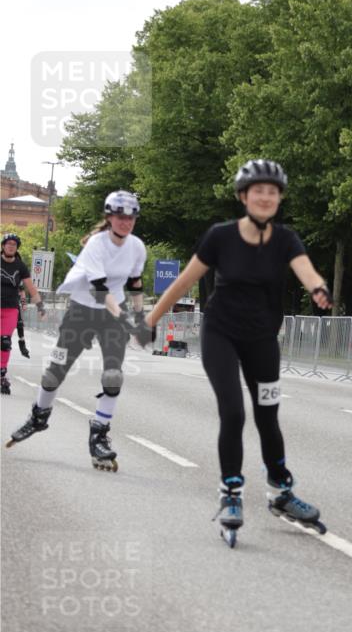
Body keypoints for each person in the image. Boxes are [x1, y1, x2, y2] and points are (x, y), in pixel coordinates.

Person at [145, 159, 332, 546]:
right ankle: (231, 493)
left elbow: (306, 270)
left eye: (273, 192)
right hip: (221, 334)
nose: (266, 197)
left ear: (279, 199)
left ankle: (281, 490)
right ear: (244, 196)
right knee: (233, 410)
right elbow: (183, 284)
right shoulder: (220, 236)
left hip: (263, 338)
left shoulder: (286, 239)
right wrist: (150, 320)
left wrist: (318, 288)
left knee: (268, 415)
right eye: (258, 191)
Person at [7, 192, 152, 469]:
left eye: (131, 217)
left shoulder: (137, 247)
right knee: (54, 373)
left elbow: (134, 282)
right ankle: (39, 415)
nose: (126, 222)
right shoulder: (97, 244)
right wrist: (123, 316)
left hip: (112, 313)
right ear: (110, 218)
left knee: (113, 375)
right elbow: (99, 290)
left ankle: (99, 434)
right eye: (120, 217)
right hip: (83, 310)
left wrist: (140, 316)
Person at [1, 233, 46, 395]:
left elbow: (31, 289)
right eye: (8, 243)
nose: (11, 246)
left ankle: (2, 374)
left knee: (5, 342)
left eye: (14, 244)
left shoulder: (20, 266)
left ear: (16, 248)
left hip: (11, 309)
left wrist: (40, 306)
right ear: (3, 246)